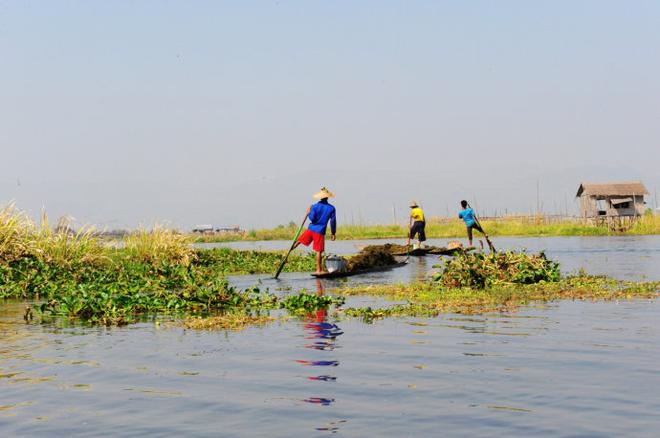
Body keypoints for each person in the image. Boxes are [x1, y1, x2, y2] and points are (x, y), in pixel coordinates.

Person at [293, 187, 337, 273]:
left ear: (320, 197)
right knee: (318, 251)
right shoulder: (331, 208)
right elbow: (333, 221)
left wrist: (308, 212)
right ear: (327, 197)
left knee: (298, 241)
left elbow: (312, 219)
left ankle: (286, 254)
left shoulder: (314, 207)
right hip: (319, 231)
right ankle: (318, 270)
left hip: (311, 229)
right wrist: (333, 232)